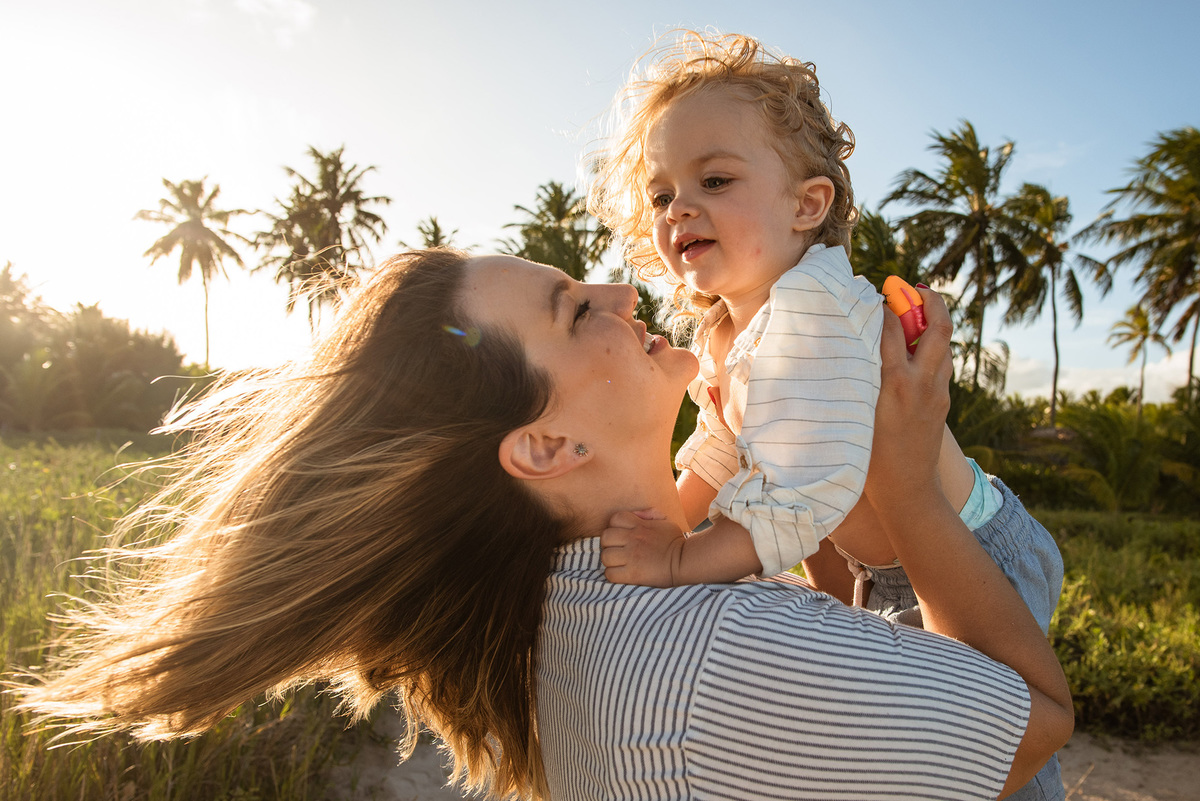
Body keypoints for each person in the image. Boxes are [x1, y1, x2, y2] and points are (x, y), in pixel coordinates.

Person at [14, 250, 1072, 799]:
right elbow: (1036, 720)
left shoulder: (588, 612)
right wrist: (906, 482)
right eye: (575, 312)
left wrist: (808, 451)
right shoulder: (716, 651)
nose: (621, 289)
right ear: (546, 448)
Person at [586, 31, 1066, 799]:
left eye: (714, 179)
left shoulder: (812, 311)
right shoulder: (723, 328)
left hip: (971, 550)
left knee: (994, 761)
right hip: (888, 568)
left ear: (808, 204)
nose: (680, 208)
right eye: (661, 193)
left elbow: (799, 499)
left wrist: (678, 561)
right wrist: (675, 519)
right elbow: (720, 445)